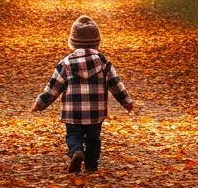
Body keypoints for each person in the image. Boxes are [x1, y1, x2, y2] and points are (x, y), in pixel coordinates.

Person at [30, 15, 136, 173]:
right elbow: (116, 84)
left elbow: (53, 88)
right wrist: (126, 102)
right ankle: (91, 166)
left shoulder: (65, 63)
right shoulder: (103, 62)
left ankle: (76, 151)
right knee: (93, 139)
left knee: (73, 134)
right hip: (96, 111)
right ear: (97, 42)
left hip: (73, 112)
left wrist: (40, 103)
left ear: (73, 42)